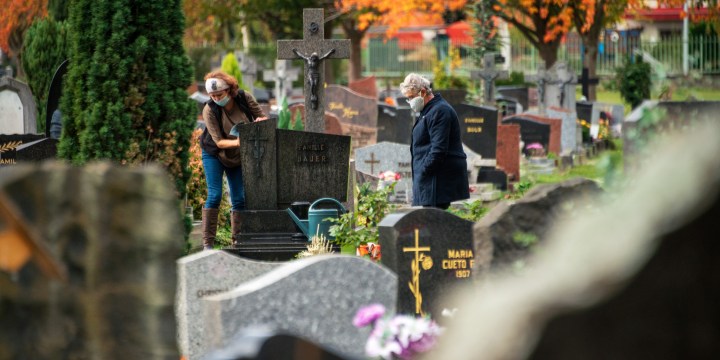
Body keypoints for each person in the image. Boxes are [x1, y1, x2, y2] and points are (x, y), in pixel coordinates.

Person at [201, 71, 268, 250]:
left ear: (229, 90)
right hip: (214, 153)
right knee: (214, 195)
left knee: (239, 198)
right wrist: (240, 141)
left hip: (238, 155)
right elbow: (219, 142)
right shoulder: (209, 110)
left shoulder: (244, 98)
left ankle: (238, 241)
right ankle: (208, 243)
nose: (215, 98)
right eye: (212, 95)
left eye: (219, 94)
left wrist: (261, 122)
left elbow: (261, 118)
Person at [399, 73, 469, 209]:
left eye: (411, 97)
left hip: (436, 182)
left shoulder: (440, 111)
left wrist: (423, 171)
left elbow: (438, 150)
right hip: (430, 181)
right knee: (430, 226)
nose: (410, 102)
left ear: (423, 92)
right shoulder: (428, 111)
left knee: (434, 226)